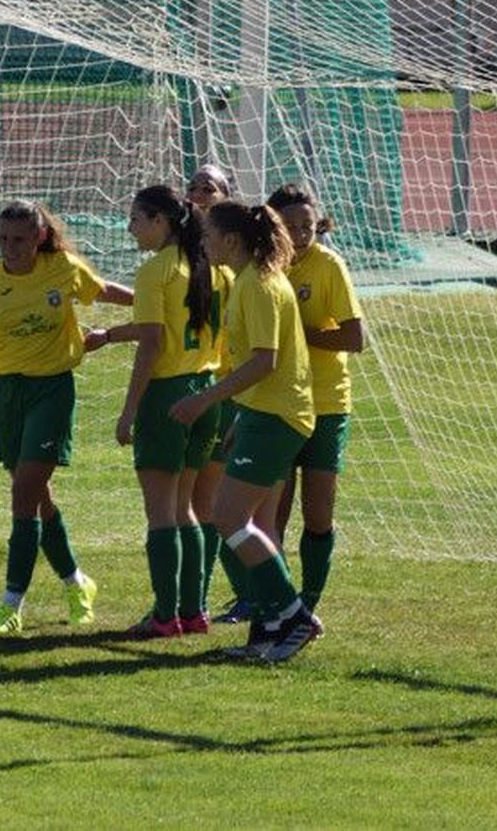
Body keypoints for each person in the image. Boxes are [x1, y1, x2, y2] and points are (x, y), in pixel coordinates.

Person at [0, 199, 133, 636]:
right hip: (8, 394)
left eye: (18, 240)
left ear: (38, 238)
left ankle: (11, 604)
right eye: (2, 240)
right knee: (36, 495)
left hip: (53, 390)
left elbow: (104, 290)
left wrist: (161, 303)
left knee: (23, 494)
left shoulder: (63, 268)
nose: (9, 248)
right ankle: (77, 582)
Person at [168, 201, 321, 663]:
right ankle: (269, 629)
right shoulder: (247, 281)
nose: (204, 242)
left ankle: (294, 615)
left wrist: (204, 400)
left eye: (210, 235)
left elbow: (264, 360)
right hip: (263, 415)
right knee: (248, 522)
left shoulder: (257, 284)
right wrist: (238, 419)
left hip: (278, 417)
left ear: (231, 240)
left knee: (229, 518)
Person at [88, 185, 226, 638]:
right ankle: (194, 611)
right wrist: (109, 334)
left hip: (168, 396)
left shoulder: (156, 271)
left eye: (135, 219)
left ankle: (165, 616)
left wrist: (129, 411)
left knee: (162, 512)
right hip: (206, 392)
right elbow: (161, 329)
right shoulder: (210, 268)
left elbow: (154, 343)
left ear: (161, 221)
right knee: (186, 508)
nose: (130, 228)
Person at [263, 184, 365, 613]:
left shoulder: (329, 266)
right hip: (278, 403)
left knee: (318, 514)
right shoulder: (264, 269)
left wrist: (300, 336)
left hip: (325, 403)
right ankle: (274, 602)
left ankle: (310, 600)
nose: (302, 233)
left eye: (308, 225)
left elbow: (354, 337)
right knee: (271, 514)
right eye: (292, 226)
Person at [186, 164, 251, 624]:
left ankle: (248, 595)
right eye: (194, 186)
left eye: (210, 187)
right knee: (202, 502)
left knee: (218, 504)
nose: (200, 192)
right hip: (206, 385)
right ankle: (209, 596)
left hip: (232, 388)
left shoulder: (236, 267)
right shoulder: (185, 255)